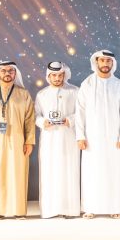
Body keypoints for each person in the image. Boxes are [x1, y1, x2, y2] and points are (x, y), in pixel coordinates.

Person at [0, 61, 35, 220]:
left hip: (18, 141)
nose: (7, 73)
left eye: (10, 71)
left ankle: (18, 210)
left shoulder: (23, 94)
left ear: (15, 73)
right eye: (3, 71)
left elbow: (29, 120)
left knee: (17, 174)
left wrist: (29, 141)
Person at [76, 50, 120, 219]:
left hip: (114, 138)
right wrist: (80, 136)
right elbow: (80, 111)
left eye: (108, 61)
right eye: (102, 60)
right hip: (91, 138)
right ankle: (90, 207)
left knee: (113, 171)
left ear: (112, 63)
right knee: (91, 172)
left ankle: (114, 207)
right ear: (96, 62)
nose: (105, 64)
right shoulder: (87, 84)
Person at [34, 61, 80, 219]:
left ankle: (70, 210)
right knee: (50, 172)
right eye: (54, 75)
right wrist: (42, 122)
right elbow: (36, 115)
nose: (57, 78)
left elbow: (82, 112)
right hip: (49, 139)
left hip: (69, 138)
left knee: (69, 171)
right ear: (49, 76)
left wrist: (70, 120)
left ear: (64, 75)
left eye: (60, 75)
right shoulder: (42, 94)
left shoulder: (74, 91)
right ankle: (50, 210)